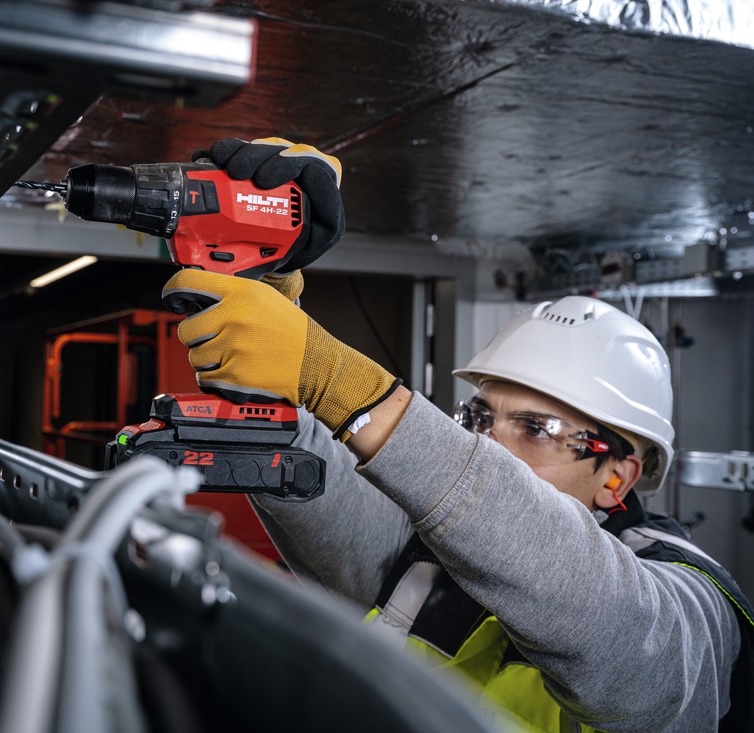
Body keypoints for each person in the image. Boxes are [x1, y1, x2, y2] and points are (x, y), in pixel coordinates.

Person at [162, 138, 754, 732]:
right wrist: (260, 276)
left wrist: (341, 383)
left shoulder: (689, 607)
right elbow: (296, 454)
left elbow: (597, 611)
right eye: (479, 416)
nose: (492, 443)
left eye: (537, 428)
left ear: (617, 477)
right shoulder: (426, 558)